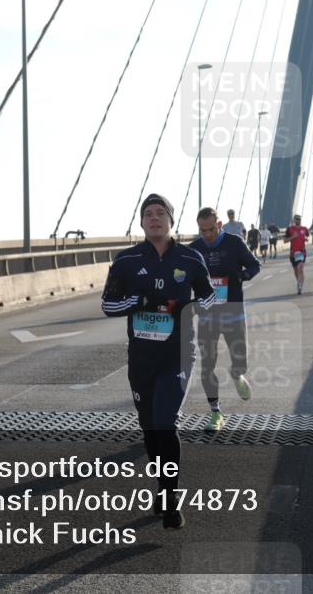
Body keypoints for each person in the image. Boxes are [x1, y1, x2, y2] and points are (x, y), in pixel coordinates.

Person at [101, 194, 216, 529]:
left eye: (160, 213)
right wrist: (138, 301)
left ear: (171, 220)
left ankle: (170, 498)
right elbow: (108, 305)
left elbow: (209, 297)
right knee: (150, 429)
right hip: (141, 357)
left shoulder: (191, 258)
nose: (154, 219)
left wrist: (192, 306)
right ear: (141, 222)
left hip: (179, 353)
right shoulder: (126, 260)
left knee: (166, 422)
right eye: (148, 214)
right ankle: (162, 486)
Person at [189, 208, 260, 432]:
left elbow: (254, 265)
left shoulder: (234, 243)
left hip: (234, 314)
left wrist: (242, 276)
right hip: (207, 318)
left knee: (241, 361)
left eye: (211, 229)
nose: (207, 235)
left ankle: (237, 374)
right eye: (202, 230)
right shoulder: (194, 249)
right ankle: (215, 412)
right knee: (207, 365)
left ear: (219, 225)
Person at [285, 214, 310, 295]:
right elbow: (285, 240)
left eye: (299, 219)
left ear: (300, 220)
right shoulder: (290, 229)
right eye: (296, 219)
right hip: (293, 253)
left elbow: (308, 236)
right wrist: (293, 237)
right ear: (294, 220)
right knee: (296, 271)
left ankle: (300, 287)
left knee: (300, 268)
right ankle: (299, 282)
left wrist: (306, 239)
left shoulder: (304, 229)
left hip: (302, 252)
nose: (298, 220)